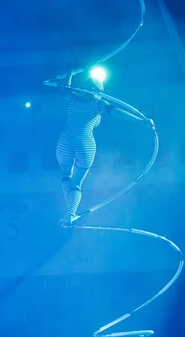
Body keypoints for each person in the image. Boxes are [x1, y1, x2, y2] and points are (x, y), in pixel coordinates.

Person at [56, 71, 154, 226]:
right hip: (84, 143)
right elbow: (119, 113)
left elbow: (65, 89)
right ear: (98, 91)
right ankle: (70, 213)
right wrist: (141, 120)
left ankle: (69, 212)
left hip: (66, 140)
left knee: (66, 176)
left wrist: (70, 74)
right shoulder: (99, 103)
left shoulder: (72, 98)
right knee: (76, 183)